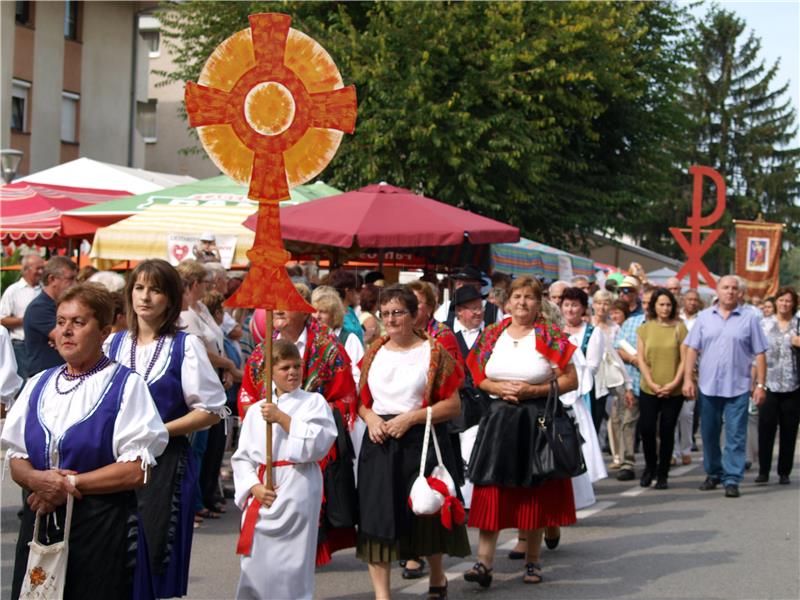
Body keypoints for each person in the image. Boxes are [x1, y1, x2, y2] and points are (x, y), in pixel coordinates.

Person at [1, 283, 168, 600]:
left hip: (100, 530)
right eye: (61, 321)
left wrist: (67, 484)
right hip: (39, 527)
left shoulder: (126, 386)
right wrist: (38, 479)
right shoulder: (39, 383)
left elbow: (136, 470)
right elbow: (16, 457)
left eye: (78, 323)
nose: (66, 331)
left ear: (104, 331)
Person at [105, 259, 226, 598]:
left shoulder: (184, 346)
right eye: (139, 288)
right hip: (113, 462)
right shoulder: (111, 345)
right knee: (113, 553)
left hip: (165, 464)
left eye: (155, 290)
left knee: (152, 551)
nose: (145, 297)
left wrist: (158, 431)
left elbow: (211, 411)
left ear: (171, 298)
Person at [464, 276, 578, 587]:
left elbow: (570, 380)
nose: (522, 302)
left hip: (536, 418)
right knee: (491, 487)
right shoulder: (492, 334)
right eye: (517, 296)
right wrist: (497, 388)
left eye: (529, 297)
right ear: (507, 301)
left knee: (534, 487)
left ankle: (532, 561)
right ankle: (483, 563)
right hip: (498, 419)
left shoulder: (549, 335)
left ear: (539, 302)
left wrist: (533, 390)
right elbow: (476, 374)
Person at [357, 284, 468, 600]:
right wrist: (371, 419)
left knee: (425, 513)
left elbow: (453, 405)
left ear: (414, 314)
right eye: (386, 313)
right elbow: (361, 401)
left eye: (398, 313)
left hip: (420, 441)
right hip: (379, 443)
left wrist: (411, 418)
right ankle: (383, 596)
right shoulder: (373, 352)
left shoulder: (434, 352)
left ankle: (437, 575)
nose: (391, 320)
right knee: (377, 517)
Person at [239, 284, 358, 566]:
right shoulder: (262, 351)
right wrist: (258, 417)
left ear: (305, 311)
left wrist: (309, 419)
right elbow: (248, 392)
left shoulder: (328, 348)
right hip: (270, 447)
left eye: (286, 302)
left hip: (311, 448)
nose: (278, 309)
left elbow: (345, 394)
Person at [232, 340, 337, 600]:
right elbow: (242, 457)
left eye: (297, 366)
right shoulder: (257, 410)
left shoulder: (314, 402)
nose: (292, 372)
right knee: (254, 563)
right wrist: (253, 486)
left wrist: (283, 419)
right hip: (263, 489)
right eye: (285, 368)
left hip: (298, 486)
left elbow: (320, 443)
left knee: (293, 566)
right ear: (269, 372)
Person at [683, 275, 769, 498]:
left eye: (734, 288)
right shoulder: (703, 317)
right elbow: (692, 349)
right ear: (718, 291)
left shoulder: (750, 319)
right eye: (725, 287)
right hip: (708, 385)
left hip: (738, 386)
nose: (730, 292)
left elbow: (760, 353)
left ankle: (732, 478)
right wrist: (687, 379)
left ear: (740, 293)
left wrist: (760, 384)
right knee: (709, 433)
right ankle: (713, 473)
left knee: (735, 435)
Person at [636, 288, 687, 489]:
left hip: (673, 389)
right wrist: (651, 382)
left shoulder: (680, 328)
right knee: (647, 429)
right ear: (654, 306)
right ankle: (650, 467)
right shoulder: (645, 328)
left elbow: (684, 359)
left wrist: (674, 383)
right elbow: (640, 358)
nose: (665, 308)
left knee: (667, 430)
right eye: (661, 304)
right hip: (649, 387)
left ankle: (663, 473)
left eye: (668, 304)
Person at [756, 286, 800, 485]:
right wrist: (757, 383)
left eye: (788, 301)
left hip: (793, 385)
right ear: (776, 302)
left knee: (789, 430)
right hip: (769, 384)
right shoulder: (764, 324)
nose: (784, 304)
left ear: (794, 304)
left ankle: (784, 471)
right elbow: (756, 355)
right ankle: (764, 470)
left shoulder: (798, 324)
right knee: (766, 429)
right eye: (781, 300)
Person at [592, 291, 634, 471]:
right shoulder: (587, 325)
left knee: (615, 415)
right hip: (594, 376)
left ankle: (618, 454)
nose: (602, 307)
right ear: (593, 305)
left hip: (613, 375)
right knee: (595, 416)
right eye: (599, 303)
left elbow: (624, 350)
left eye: (606, 303)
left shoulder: (616, 328)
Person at [614, 278, 647, 481]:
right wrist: (635, 359)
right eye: (622, 290)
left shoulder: (670, 324)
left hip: (658, 382)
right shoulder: (631, 322)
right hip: (633, 379)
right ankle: (627, 462)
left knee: (654, 425)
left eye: (629, 290)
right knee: (627, 421)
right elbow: (619, 346)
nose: (624, 293)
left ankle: (657, 461)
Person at [23, 256, 78, 377]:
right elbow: (72, 338)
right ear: (52, 279)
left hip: (60, 375)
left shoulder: (60, 306)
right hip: (44, 378)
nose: (75, 284)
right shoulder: (39, 308)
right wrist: (66, 338)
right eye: (70, 279)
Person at [0, 253, 44, 381]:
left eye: (42, 268)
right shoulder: (13, 291)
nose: (41, 272)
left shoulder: (44, 290)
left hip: (41, 345)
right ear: (26, 269)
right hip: (21, 346)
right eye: (38, 268)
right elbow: (2, 319)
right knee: (23, 383)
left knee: (38, 381)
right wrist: (27, 320)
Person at [312, 285, 365, 383]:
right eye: (314, 311)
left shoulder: (349, 339)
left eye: (323, 312)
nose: (317, 316)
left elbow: (359, 376)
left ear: (334, 314)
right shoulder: (311, 337)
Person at [329, 268, 365, 344]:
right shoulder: (334, 314)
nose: (360, 293)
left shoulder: (350, 311)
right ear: (347, 291)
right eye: (357, 290)